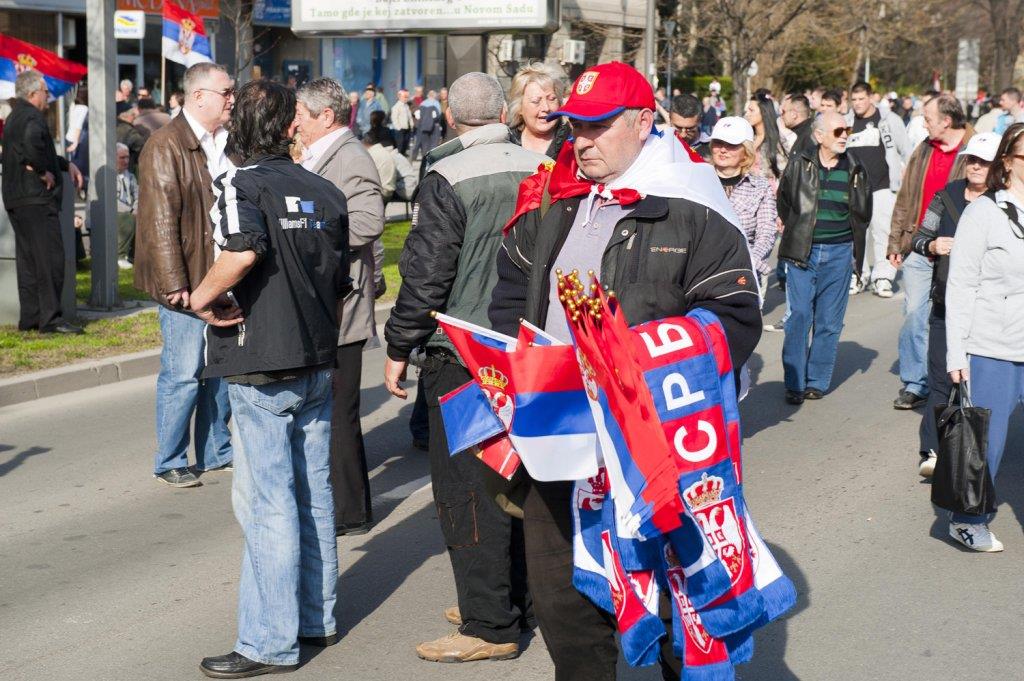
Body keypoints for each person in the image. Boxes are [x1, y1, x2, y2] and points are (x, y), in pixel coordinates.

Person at [488, 61, 761, 681]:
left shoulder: (694, 209)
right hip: (560, 440)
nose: (580, 140)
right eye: (574, 126)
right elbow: (511, 291)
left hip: (655, 448)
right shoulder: (554, 201)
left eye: (598, 126)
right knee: (564, 608)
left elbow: (736, 319)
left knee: (671, 609)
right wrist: (511, 357)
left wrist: (632, 359)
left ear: (643, 122)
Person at [383, 72, 546, 664]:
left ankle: (489, 622)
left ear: (450, 115)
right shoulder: (543, 169)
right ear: (506, 112)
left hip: (467, 355)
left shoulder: (448, 176)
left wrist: (399, 345)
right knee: (519, 481)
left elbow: (425, 277)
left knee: (468, 492)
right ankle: (513, 600)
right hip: (532, 350)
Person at [191, 79, 350, 678]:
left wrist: (201, 299)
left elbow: (241, 249)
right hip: (313, 356)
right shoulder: (325, 190)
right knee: (312, 494)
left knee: (269, 505)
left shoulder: (241, 182)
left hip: (261, 362)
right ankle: (316, 617)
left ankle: (267, 642)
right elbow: (342, 279)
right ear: (290, 127)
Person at [134, 62, 236, 488]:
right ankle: (170, 458)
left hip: (222, 275)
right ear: (198, 97)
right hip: (187, 280)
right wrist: (175, 284)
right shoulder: (166, 145)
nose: (232, 98)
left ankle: (216, 450)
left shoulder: (227, 141)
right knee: (183, 372)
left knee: (219, 370)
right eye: (225, 92)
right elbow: (160, 223)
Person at [296, 77, 386, 537]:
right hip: (325, 302)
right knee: (329, 412)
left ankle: (351, 511)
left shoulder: (350, 156)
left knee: (339, 413)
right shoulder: (317, 154)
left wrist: (306, 233)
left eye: (301, 115)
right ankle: (342, 506)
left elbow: (369, 222)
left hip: (343, 306)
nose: (294, 123)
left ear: (324, 117)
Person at [942, 123, 1024, 553]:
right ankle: (968, 518)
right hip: (993, 346)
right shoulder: (985, 213)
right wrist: (958, 351)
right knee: (986, 442)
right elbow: (961, 286)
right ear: (1007, 163)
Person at [910, 132, 998, 478]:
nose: (976, 166)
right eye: (972, 159)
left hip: (989, 310)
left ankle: (976, 455)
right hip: (945, 305)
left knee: (981, 386)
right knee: (940, 380)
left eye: (984, 161)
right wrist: (933, 246)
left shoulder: (1004, 203)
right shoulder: (945, 197)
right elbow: (918, 239)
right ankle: (932, 449)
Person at [777, 111, 871, 404]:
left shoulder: (856, 167)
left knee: (830, 321)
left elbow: (863, 211)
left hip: (841, 252)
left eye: (847, 130)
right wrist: (801, 233)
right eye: (838, 131)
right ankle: (794, 380)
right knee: (799, 315)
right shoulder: (799, 164)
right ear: (819, 136)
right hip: (803, 251)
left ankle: (816, 381)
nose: (845, 135)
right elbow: (785, 203)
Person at [887, 94, 974, 411]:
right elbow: (906, 195)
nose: (924, 123)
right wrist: (897, 241)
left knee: (953, 317)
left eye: (928, 118)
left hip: (960, 252)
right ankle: (915, 382)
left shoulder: (975, 151)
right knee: (914, 314)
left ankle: (952, 379)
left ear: (946, 121)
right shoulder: (924, 149)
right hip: (920, 245)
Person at [1, 69, 84, 334]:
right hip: (36, 198)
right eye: (45, 92)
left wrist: (62, 164)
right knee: (50, 259)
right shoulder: (32, 116)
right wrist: (41, 171)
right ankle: (50, 320)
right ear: (33, 93)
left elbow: (33, 150)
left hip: (17, 198)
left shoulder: (14, 115)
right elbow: (32, 145)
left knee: (28, 261)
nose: (48, 97)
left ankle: (31, 319)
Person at [845, 81, 910, 297]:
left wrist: (905, 177)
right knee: (856, 233)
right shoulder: (847, 121)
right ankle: (858, 273)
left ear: (871, 97)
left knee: (883, 231)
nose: (858, 103)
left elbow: (905, 150)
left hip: (883, 185)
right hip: (854, 188)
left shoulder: (889, 120)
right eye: (854, 99)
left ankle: (884, 276)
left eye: (862, 98)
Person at [709, 116, 777, 290]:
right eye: (718, 143)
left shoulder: (760, 187)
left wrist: (749, 263)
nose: (723, 150)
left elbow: (766, 232)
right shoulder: (697, 180)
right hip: (703, 275)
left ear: (746, 151)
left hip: (744, 274)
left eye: (731, 144)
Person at [507, 62, 570, 158]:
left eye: (552, 99)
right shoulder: (507, 140)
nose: (546, 108)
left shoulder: (571, 140)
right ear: (519, 108)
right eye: (536, 101)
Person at [744, 94, 792, 182]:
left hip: (771, 191)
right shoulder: (746, 138)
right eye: (747, 110)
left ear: (764, 112)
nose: (747, 114)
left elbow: (785, 173)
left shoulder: (778, 140)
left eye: (751, 110)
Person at [115, 142, 139, 268]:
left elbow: (137, 195)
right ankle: (120, 255)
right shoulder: (109, 176)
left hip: (131, 212)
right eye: (122, 158)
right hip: (118, 213)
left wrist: (136, 208)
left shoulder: (130, 176)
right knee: (129, 219)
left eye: (127, 157)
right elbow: (112, 201)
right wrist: (130, 210)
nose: (126, 161)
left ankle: (134, 256)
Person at [669, 93, 711, 157]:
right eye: (678, 127)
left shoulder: (713, 147)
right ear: (670, 119)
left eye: (690, 128)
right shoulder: (658, 143)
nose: (683, 135)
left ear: (699, 121)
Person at [115, 101, 148, 175]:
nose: (134, 117)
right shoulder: (129, 131)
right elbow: (143, 147)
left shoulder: (111, 127)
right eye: (132, 114)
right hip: (124, 170)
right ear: (124, 116)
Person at [781, 93, 815, 160]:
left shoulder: (810, 136)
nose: (781, 115)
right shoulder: (801, 131)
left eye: (784, 112)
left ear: (794, 114)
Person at [408, 93, 441, 161]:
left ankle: (420, 157)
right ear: (434, 96)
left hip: (422, 126)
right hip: (433, 126)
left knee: (422, 143)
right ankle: (431, 158)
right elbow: (438, 115)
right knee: (433, 143)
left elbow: (417, 116)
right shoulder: (436, 103)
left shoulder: (423, 103)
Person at [390, 88, 414, 155]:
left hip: (407, 129)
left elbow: (409, 117)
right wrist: (398, 128)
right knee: (400, 146)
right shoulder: (396, 106)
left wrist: (411, 125)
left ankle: (403, 156)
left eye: (407, 97)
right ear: (400, 97)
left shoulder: (406, 106)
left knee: (405, 145)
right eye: (405, 97)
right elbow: (394, 118)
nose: (406, 98)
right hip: (400, 129)